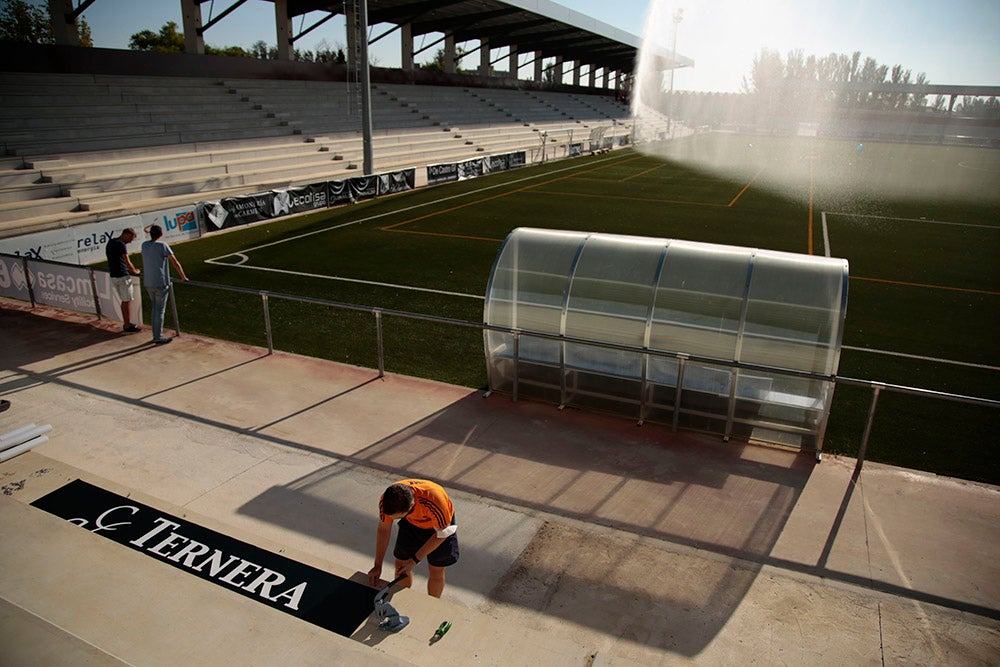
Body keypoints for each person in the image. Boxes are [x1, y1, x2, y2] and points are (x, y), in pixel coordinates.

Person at [368, 479, 459, 598]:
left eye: (397, 518)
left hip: (438, 527)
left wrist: (414, 561)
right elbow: (384, 529)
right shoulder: (386, 501)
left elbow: (441, 534)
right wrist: (377, 565)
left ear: (411, 506)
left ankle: (432, 602)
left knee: (436, 568)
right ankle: (402, 599)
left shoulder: (435, 499)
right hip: (411, 524)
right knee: (401, 564)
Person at [140, 224, 188, 345]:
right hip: (160, 282)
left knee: (155, 309)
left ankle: (156, 335)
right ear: (160, 234)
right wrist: (183, 276)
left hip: (149, 282)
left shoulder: (144, 245)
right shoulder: (162, 245)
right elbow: (174, 261)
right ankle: (158, 336)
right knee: (159, 310)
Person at [105, 227, 142, 333]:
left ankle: (127, 323)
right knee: (126, 300)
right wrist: (135, 271)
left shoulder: (111, 242)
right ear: (127, 235)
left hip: (114, 275)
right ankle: (127, 325)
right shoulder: (121, 244)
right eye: (131, 238)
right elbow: (127, 260)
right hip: (122, 276)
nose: (130, 241)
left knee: (124, 300)